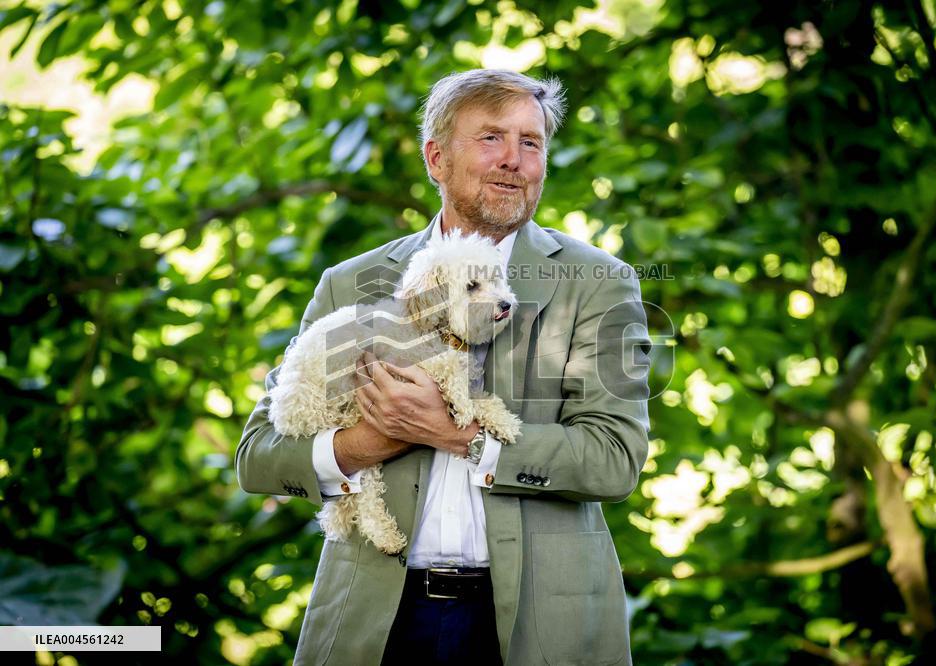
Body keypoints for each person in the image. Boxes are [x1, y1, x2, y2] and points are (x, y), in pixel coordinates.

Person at [235, 68, 652, 665]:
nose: (513, 159)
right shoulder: (351, 282)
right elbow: (259, 456)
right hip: (375, 620)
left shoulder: (598, 282)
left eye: (530, 142)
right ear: (436, 158)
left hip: (535, 625)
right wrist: (370, 440)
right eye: (491, 138)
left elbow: (614, 459)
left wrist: (458, 434)